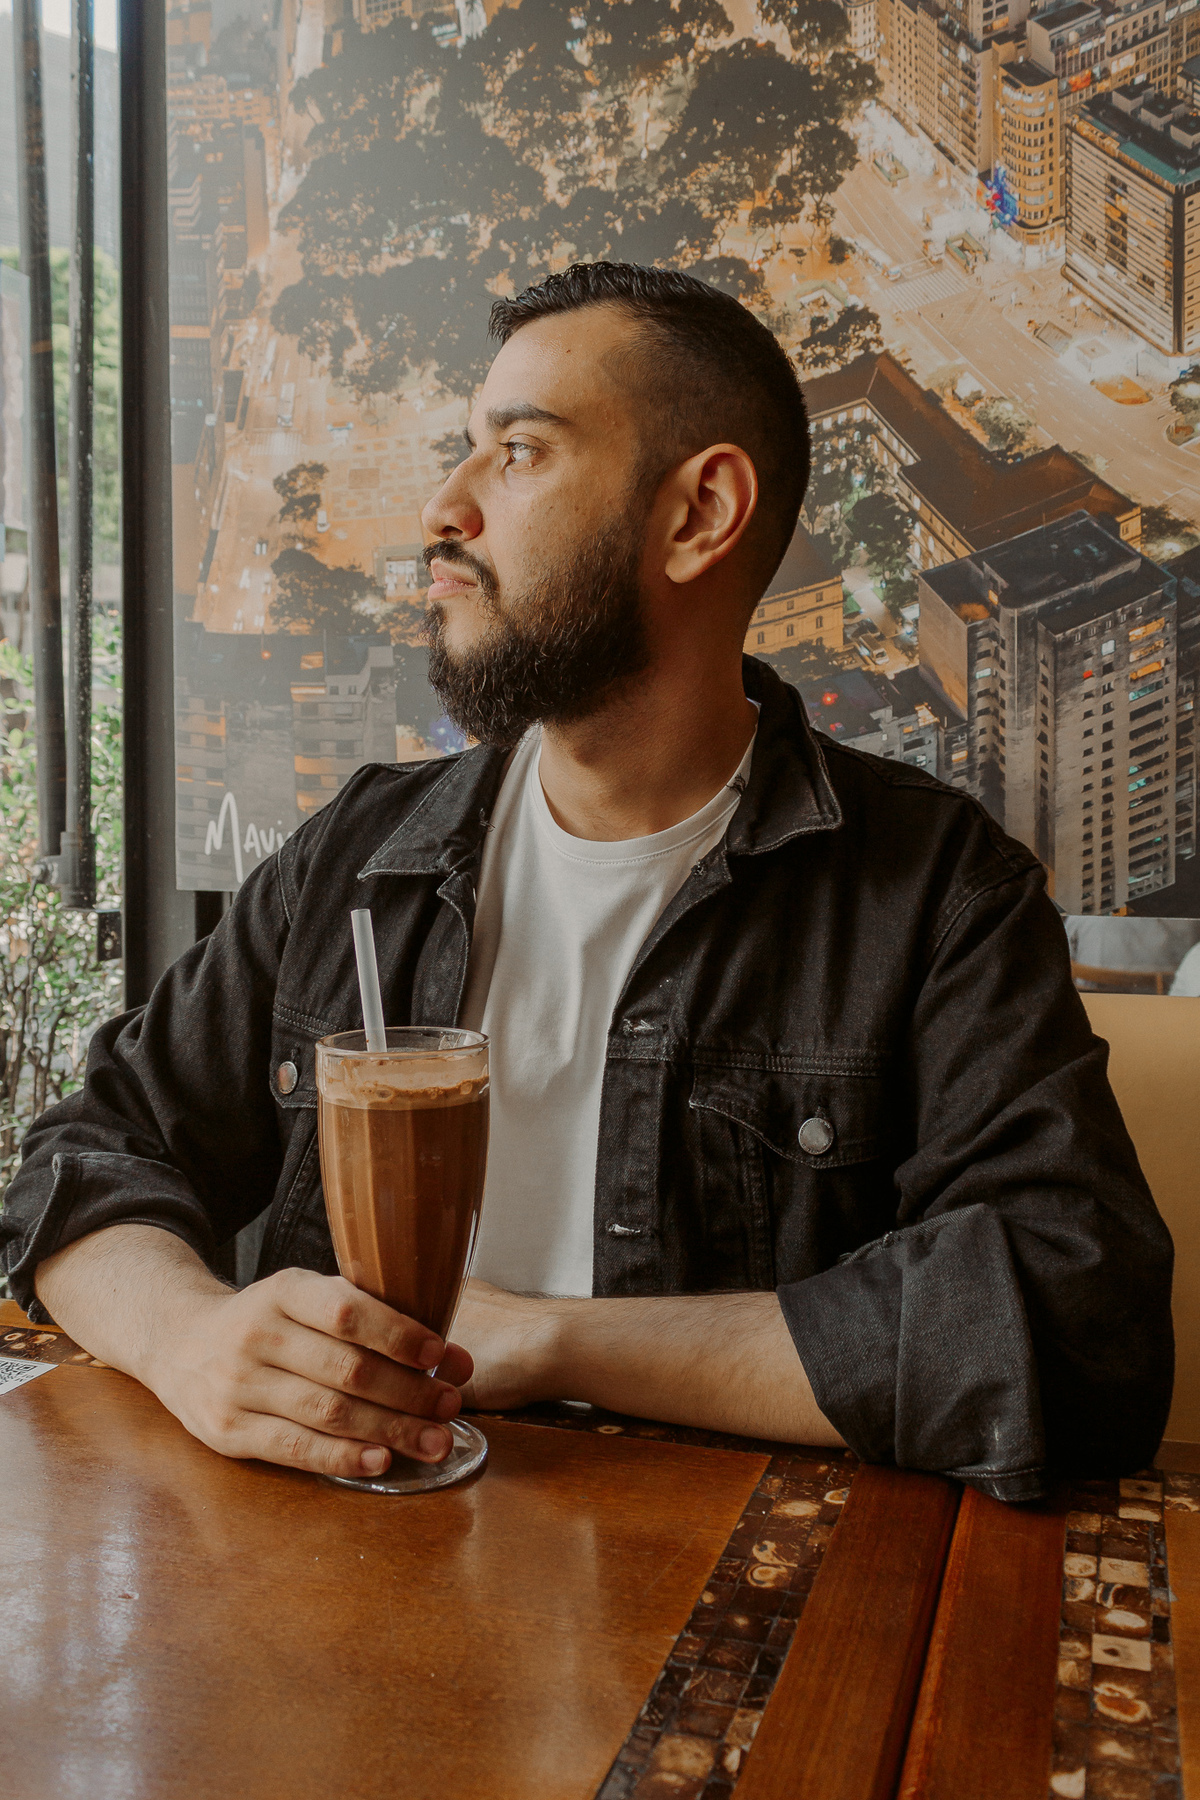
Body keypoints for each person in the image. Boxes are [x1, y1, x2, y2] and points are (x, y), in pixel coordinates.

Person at [0, 264, 1173, 1502]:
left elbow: (1077, 1328)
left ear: (698, 514)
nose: (444, 508)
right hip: (334, 1597)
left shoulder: (935, 893)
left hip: (731, 1621)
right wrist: (190, 1340)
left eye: (517, 453)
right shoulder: (357, 855)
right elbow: (83, 1163)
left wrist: (555, 1340)